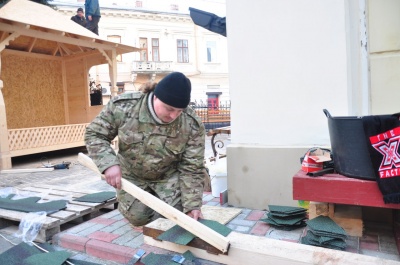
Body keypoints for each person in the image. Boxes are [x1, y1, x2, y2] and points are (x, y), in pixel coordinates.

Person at [85, 72, 206, 226]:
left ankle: (167, 202)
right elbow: (95, 134)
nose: (174, 116)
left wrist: (193, 205)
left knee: (180, 216)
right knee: (138, 218)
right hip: (132, 174)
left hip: (168, 175)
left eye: (179, 111)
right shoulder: (123, 107)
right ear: (156, 97)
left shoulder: (191, 124)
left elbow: (192, 167)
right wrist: (109, 164)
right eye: (169, 109)